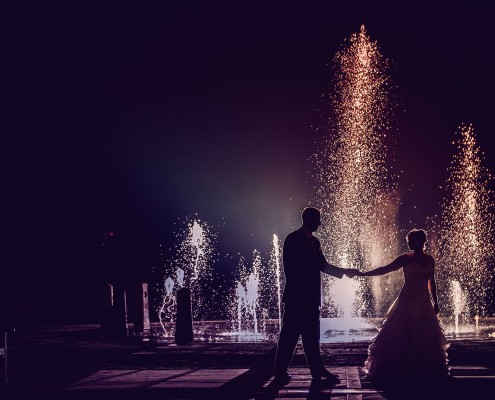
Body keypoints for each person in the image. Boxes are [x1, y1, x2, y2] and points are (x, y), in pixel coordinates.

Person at [273, 207, 359, 387]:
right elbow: (295, 268)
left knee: (312, 338)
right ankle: (280, 371)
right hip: (298, 298)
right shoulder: (293, 239)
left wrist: (345, 272)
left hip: (310, 299)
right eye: (318, 219)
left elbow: (323, 265)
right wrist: (343, 272)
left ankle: (317, 371)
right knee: (290, 336)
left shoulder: (314, 241)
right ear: (309, 219)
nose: (320, 223)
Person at [355, 228, 450, 382]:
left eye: (410, 241)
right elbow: (385, 269)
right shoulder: (405, 258)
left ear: (420, 241)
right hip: (407, 299)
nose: (408, 243)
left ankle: (424, 369)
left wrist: (436, 301)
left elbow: (431, 282)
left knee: (424, 335)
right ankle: (402, 368)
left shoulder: (429, 259)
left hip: (423, 300)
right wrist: (364, 274)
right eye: (408, 241)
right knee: (403, 333)